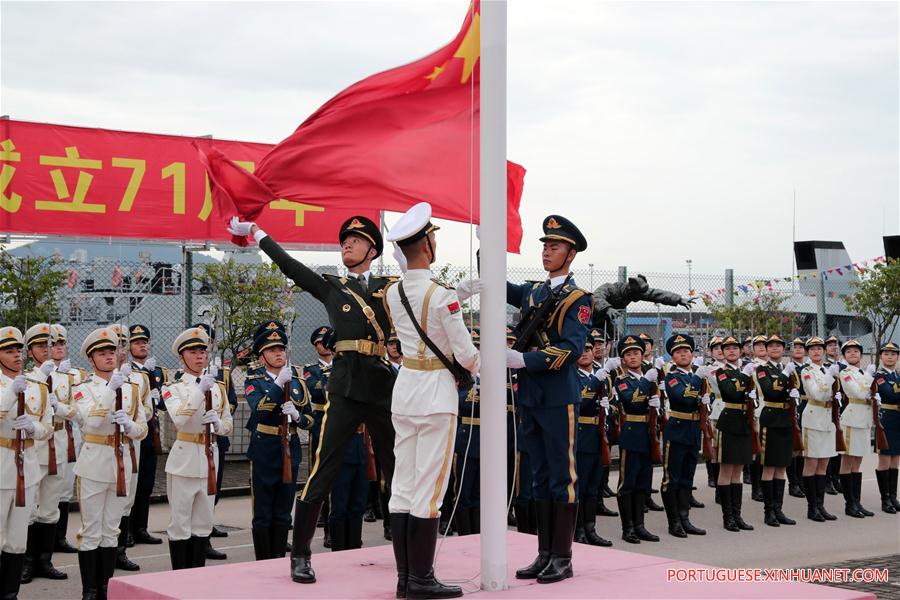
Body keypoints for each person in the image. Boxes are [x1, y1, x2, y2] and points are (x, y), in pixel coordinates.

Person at [228, 214, 399, 585]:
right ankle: (301, 555)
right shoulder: (333, 287)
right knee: (323, 469)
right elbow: (289, 266)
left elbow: (422, 297)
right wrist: (259, 234)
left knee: (397, 471)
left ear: (372, 249)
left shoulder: (390, 287)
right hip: (346, 387)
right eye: (344, 240)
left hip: (381, 386)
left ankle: (407, 553)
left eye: (355, 240)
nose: (346, 245)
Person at [385, 202, 479, 599]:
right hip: (437, 395)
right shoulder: (442, 296)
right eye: (433, 236)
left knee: (403, 485)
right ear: (426, 244)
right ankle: (422, 579)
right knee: (430, 487)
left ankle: (406, 578)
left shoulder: (392, 292)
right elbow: (466, 355)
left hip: (406, 390)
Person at [505, 215, 592, 583]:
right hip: (531, 397)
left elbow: (571, 349)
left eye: (554, 246)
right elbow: (499, 283)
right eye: (544, 246)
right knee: (538, 477)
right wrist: (486, 242)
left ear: (570, 254)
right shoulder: (534, 292)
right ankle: (543, 553)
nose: (546, 251)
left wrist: (525, 360)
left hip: (558, 397)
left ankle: (563, 556)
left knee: (563, 478)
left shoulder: (578, 299)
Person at [73, 327, 147, 599]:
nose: (109, 357)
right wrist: (109, 391)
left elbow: (143, 429)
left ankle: (106, 587)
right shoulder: (82, 389)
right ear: (91, 360)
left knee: (111, 530)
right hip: (94, 464)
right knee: (91, 530)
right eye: (102, 354)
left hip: (122, 463)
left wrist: (130, 427)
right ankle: (89, 591)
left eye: (112, 352)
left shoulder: (132, 389)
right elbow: (91, 421)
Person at [162, 327, 233, 570]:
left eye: (203, 350)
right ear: (182, 358)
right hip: (184, 461)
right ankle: (179, 579)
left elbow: (228, 426)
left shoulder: (218, 387)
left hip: (210, 458)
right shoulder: (174, 387)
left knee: (203, 522)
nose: (200, 355)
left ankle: (196, 579)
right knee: (180, 524)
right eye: (193, 351)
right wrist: (198, 390)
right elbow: (179, 419)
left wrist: (217, 424)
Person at [245, 326, 314, 560]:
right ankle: (264, 560)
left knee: (284, 508)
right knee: (263, 510)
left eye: (281, 349)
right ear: (261, 356)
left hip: (290, 446)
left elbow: (311, 419)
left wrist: (297, 416)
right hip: (265, 446)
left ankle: (278, 558)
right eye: (272, 350)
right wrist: (276, 387)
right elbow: (260, 412)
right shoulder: (254, 380)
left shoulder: (297, 382)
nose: (279, 354)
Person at [0, 326, 53, 599]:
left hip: (27, 469)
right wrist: (10, 393)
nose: (17, 356)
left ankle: (11, 594)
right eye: (9, 351)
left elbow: (48, 426)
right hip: (1, 469)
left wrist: (34, 428)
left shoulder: (38, 387)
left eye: (19, 350)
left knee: (17, 539)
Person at [21, 324, 68, 583]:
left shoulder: (66, 377)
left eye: (50, 345)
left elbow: (75, 411)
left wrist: (58, 407)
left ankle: (44, 560)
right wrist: (40, 376)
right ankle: (27, 561)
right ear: (30, 352)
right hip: (34, 448)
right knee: (29, 508)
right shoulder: (26, 380)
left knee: (50, 507)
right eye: (41, 346)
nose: (48, 350)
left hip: (58, 444)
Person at [605, 335, 659, 544]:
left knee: (642, 483)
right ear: (623, 361)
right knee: (627, 483)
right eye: (628, 354)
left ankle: (640, 526)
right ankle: (627, 528)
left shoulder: (651, 380)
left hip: (647, 434)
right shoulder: (622, 381)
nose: (633, 357)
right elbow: (633, 401)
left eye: (636, 353)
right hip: (631, 434)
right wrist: (646, 382)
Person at [192, 322, 237, 558]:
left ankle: (206, 532)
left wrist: (218, 421)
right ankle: (197, 539)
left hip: (216, 440)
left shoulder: (224, 374)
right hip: (194, 441)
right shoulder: (183, 377)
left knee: (213, 489)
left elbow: (231, 402)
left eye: (207, 343)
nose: (203, 350)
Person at [659, 333, 707, 538]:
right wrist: (697, 379)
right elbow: (685, 398)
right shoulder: (672, 377)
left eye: (686, 351)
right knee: (672, 478)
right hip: (677, 430)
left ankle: (685, 518)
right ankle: (674, 522)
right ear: (672, 357)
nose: (683, 354)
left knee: (687, 477)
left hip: (693, 430)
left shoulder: (695, 377)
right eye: (678, 352)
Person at [752, 335, 799, 527]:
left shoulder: (788, 369)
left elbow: (794, 388)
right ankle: (768, 511)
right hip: (770, 418)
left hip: (786, 418)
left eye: (778, 346)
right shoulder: (762, 369)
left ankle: (779, 510)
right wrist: (785, 375)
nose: (774, 349)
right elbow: (770, 391)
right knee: (769, 466)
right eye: (770, 346)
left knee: (782, 466)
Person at [127, 324, 167, 547]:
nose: (142, 345)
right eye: (137, 342)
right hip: (133, 431)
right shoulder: (126, 371)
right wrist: (144, 374)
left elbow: (162, 403)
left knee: (147, 483)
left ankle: (141, 527)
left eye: (144, 342)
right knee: (132, 481)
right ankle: (129, 529)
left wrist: (155, 394)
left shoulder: (157, 371)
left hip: (151, 430)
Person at [713, 336, 755, 532]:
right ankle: (727, 516)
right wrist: (746, 378)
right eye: (727, 348)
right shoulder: (721, 372)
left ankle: (737, 515)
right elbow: (731, 392)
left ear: (740, 352)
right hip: (729, 421)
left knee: (737, 471)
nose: (731, 351)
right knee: (726, 470)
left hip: (744, 421)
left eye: (734, 348)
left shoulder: (745, 370)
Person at [48, 324, 84, 556]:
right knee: (49, 489)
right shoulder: (41, 373)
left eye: (62, 343)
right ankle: (46, 541)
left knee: (64, 489)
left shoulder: (76, 374)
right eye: (54, 344)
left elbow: (78, 408)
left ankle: (60, 537)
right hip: (50, 435)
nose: (59, 347)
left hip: (71, 434)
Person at [573, 340, 612, 547]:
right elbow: (579, 401)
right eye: (580, 350)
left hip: (598, 435)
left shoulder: (601, 376)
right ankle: (578, 530)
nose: (585, 353)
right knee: (580, 485)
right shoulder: (573, 375)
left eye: (587, 349)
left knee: (593, 487)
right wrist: (595, 383)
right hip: (581, 435)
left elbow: (611, 403)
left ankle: (591, 528)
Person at [798, 337, 839, 522]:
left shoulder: (828, 369)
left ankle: (821, 505)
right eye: (812, 349)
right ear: (808, 353)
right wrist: (830, 378)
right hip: (813, 418)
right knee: (811, 464)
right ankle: (811, 507)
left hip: (828, 418)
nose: (816, 352)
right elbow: (816, 393)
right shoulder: (807, 371)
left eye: (819, 349)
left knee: (824, 464)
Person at [302, 325, 334, 546]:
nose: (325, 346)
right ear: (316, 346)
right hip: (321, 419)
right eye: (321, 343)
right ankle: (322, 514)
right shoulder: (311, 369)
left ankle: (334, 524)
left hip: (342, 420)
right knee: (319, 470)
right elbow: (314, 389)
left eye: (328, 342)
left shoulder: (343, 364)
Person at [835, 339, 875, 518]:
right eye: (848, 352)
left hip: (865, 419)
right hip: (852, 419)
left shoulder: (863, 372)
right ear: (844, 356)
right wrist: (869, 379)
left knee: (857, 462)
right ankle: (849, 504)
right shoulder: (845, 373)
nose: (853, 354)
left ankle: (857, 502)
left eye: (856, 351)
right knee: (848, 461)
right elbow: (859, 392)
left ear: (860, 354)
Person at [454, 329, 482, 537]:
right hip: (466, 438)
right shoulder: (459, 373)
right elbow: (457, 402)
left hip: (487, 441)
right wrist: (473, 391)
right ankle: (465, 534)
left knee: (481, 493)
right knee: (464, 491)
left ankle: (478, 533)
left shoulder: (494, 374)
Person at [874, 342, 900, 513]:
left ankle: (893, 496)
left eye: (893, 354)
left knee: (895, 460)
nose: (890, 357)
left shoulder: (897, 376)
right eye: (886, 354)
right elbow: (890, 394)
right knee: (885, 459)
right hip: (886, 419)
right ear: (881, 356)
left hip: (898, 419)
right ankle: (885, 500)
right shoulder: (879, 375)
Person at [787, 337, 808, 498]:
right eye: (795, 347)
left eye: (801, 347)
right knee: (795, 448)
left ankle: (801, 481)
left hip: (810, 408)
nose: (799, 350)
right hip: (796, 406)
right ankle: (793, 483)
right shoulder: (789, 369)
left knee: (803, 449)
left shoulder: (808, 368)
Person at [823, 335, 843, 496]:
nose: (833, 348)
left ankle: (836, 477)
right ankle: (828, 479)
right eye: (830, 345)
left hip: (843, 408)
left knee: (839, 446)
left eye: (836, 345)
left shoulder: (844, 367)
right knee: (828, 446)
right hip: (828, 407)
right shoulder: (823, 366)